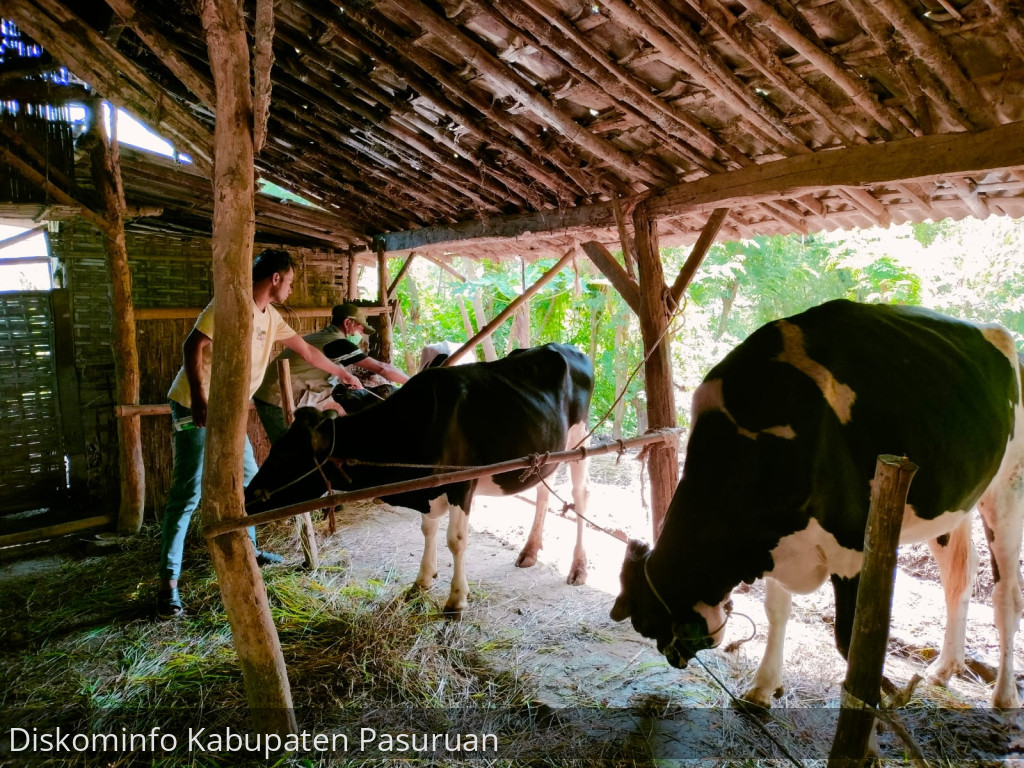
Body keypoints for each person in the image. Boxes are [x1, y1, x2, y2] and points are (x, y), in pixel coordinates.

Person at [157, 249, 364, 620]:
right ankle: (168, 584)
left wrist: (345, 374)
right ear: (275, 278)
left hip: (231, 411)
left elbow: (310, 354)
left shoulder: (272, 318)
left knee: (250, 480)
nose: (291, 289)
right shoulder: (230, 305)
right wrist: (200, 397)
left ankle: (251, 552)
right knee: (188, 493)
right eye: (291, 281)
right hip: (195, 405)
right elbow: (193, 344)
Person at [253, 302, 409, 443]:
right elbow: (383, 368)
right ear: (348, 323)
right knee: (291, 454)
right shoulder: (337, 342)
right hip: (276, 398)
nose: (361, 335)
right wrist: (415, 383)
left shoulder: (324, 337)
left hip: (278, 394)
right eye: (360, 329)